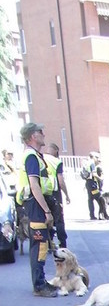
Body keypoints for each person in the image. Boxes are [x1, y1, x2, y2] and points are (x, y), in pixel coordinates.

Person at [16, 122, 56, 296]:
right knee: (39, 245)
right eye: (40, 132)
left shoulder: (34, 155)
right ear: (32, 136)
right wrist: (46, 210)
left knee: (40, 244)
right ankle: (39, 285)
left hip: (35, 203)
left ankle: (41, 281)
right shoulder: (31, 156)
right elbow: (34, 185)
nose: (43, 134)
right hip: (36, 204)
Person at [44, 142, 70, 249]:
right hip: (54, 193)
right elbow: (61, 181)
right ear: (55, 151)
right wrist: (67, 195)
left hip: (43, 193)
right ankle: (62, 244)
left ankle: (49, 243)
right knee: (59, 220)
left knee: (46, 218)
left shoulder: (40, 158)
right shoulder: (56, 161)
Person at [81, 151, 103, 220]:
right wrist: (100, 179)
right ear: (93, 157)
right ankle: (103, 214)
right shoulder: (92, 163)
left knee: (90, 200)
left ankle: (92, 215)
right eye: (96, 157)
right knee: (100, 198)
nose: (97, 159)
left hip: (88, 183)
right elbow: (94, 174)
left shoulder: (87, 163)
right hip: (93, 184)